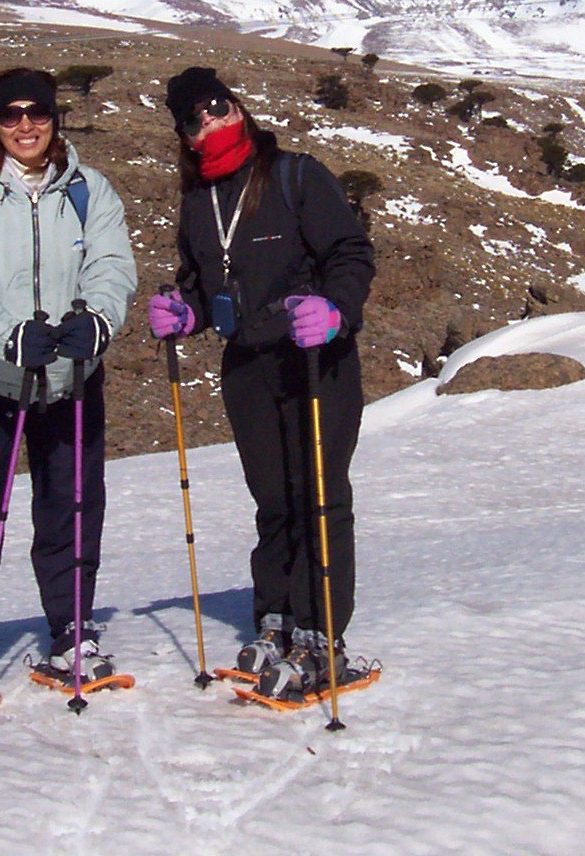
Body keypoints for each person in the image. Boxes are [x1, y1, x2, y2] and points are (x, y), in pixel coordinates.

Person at [147, 66, 375, 701]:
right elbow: (200, 276)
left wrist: (335, 309)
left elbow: (351, 254)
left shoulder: (298, 175)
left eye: (217, 107)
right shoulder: (199, 201)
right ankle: (274, 620)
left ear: (239, 107)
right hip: (247, 366)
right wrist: (186, 310)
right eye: (193, 119)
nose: (209, 123)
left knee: (319, 495)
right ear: (185, 136)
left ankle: (322, 633)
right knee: (272, 499)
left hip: (315, 362)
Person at [0, 67, 137, 698]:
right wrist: (5, 336)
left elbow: (111, 264)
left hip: (69, 375)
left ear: (54, 119)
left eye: (37, 113)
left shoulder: (90, 191)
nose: (26, 125)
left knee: (71, 504)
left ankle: (71, 626)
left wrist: (97, 320)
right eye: (12, 115)